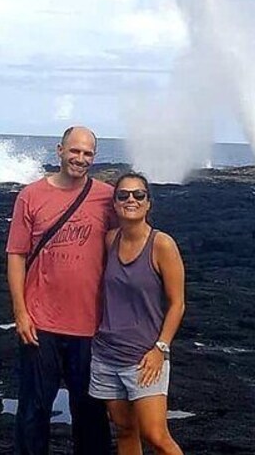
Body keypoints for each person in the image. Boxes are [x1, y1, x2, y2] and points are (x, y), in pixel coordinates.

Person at [5, 126, 113, 455]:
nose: (80, 159)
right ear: (59, 150)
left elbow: (132, 244)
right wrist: (21, 313)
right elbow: (16, 255)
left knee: (92, 415)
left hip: (90, 327)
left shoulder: (108, 197)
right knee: (34, 411)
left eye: (87, 153)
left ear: (94, 157)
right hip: (40, 326)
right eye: (74, 151)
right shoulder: (31, 195)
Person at [89, 172, 186, 455]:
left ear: (148, 203)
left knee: (156, 435)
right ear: (115, 203)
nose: (131, 199)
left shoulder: (162, 245)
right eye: (123, 195)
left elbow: (177, 303)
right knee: (125, 430)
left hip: (145, 358)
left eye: (138, 195)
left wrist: (161, 348)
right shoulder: (110, 240)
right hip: (106, 355)